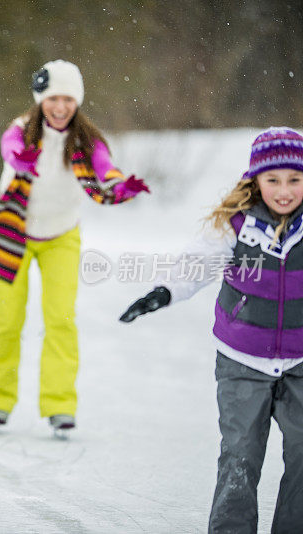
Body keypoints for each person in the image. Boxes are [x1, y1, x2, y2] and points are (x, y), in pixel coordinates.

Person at [120, 127, 303, 533]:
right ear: (255, 180)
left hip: (301, 360)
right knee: (240, 455)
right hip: (242, 360)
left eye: (295, 179)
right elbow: (198, 263)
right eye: (273, 180)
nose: (284, 190)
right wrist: (163, 292)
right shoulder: (236, 223)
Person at [0, 59, 149, 434]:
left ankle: (59, 406)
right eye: (53, 98)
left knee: (61, 320)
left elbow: (105, 168)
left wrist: (120, 186)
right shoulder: (21, 130)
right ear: (41, 100)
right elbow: (10, 147)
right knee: (7, 320)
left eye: (68, 99)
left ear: (77, 102)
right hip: (13, 231)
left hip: (61, 236)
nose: (60, 106)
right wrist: (18, 159)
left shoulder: (87, 140)